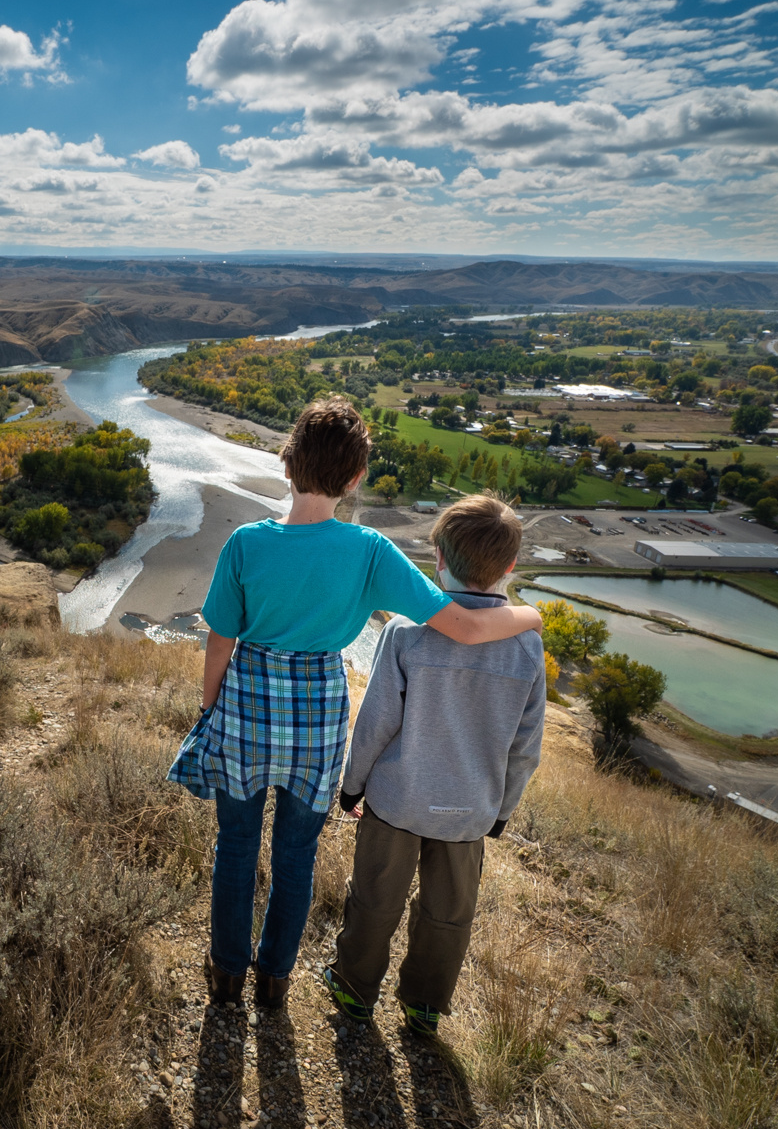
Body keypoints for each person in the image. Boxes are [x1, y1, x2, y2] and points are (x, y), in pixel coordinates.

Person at [168, 401, 542, 1011]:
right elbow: (466, 628)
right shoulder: (369, 551)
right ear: (356, 478)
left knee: (235, 847)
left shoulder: (245, 545)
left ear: (288, 466)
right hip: (317, 717)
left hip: (245, 710)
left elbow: (220, 640)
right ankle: (275, 980)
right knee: (296, 852)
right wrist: (532, 615)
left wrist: (210, 711)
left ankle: (228, 974)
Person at [322, 494, 547, 1036]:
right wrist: (501, 811)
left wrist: (352, 787)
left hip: (397, 801)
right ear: (511, 566)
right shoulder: (526, 647)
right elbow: (526, 747)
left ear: (439, 561)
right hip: (471, 810)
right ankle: (424, 1004)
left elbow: (376, 721)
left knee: (375, 899)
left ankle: (354, 991)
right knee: (449, 914)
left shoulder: (406, 631)